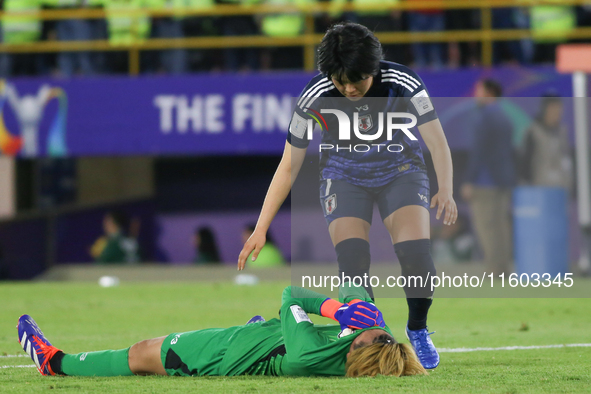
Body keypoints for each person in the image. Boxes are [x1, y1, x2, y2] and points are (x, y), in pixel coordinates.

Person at [238, 22, 457, 370]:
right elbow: (288, 166)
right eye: (342, 82)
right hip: (343, 177)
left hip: (400, 171)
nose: (350, 88)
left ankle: (417, 328)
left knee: (417, 257)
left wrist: (445, 188)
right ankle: (373, 340)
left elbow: (437, 141)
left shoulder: (404, 83)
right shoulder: (315, 95)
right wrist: (261, 227)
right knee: (353, 263)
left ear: (374, 68)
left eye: (359, 80)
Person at [17, 286, 427, 378]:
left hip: (222, 357)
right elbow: (359, 296)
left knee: (142, 353)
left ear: (361, 353)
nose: (378, 329)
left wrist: (335, 309)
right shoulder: (369, 348)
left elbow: (290, 297)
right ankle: (255, 331)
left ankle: (55, 363)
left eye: (376, 333)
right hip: (264, 341)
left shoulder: (308, 359)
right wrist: (361, 305)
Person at [461, 79, 515, 276]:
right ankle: (504, 269)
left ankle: (494, 271)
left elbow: (479, 152)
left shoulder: (484, 118)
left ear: (489, 93)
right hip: (503, 180)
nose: (476, 94)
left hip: (485, 182)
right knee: (501, 227)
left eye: (479, 90)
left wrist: (469, 180)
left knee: (486, 228)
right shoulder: (505, 117)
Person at [520, 92, 573, 192]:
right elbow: (525, 163)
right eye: (554, 108)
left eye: (559, 109)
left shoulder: (562, 132)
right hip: (541, 189)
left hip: (561, 189)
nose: (558, 112)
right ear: (546, 109)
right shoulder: (533, 132)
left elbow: (566, 158)